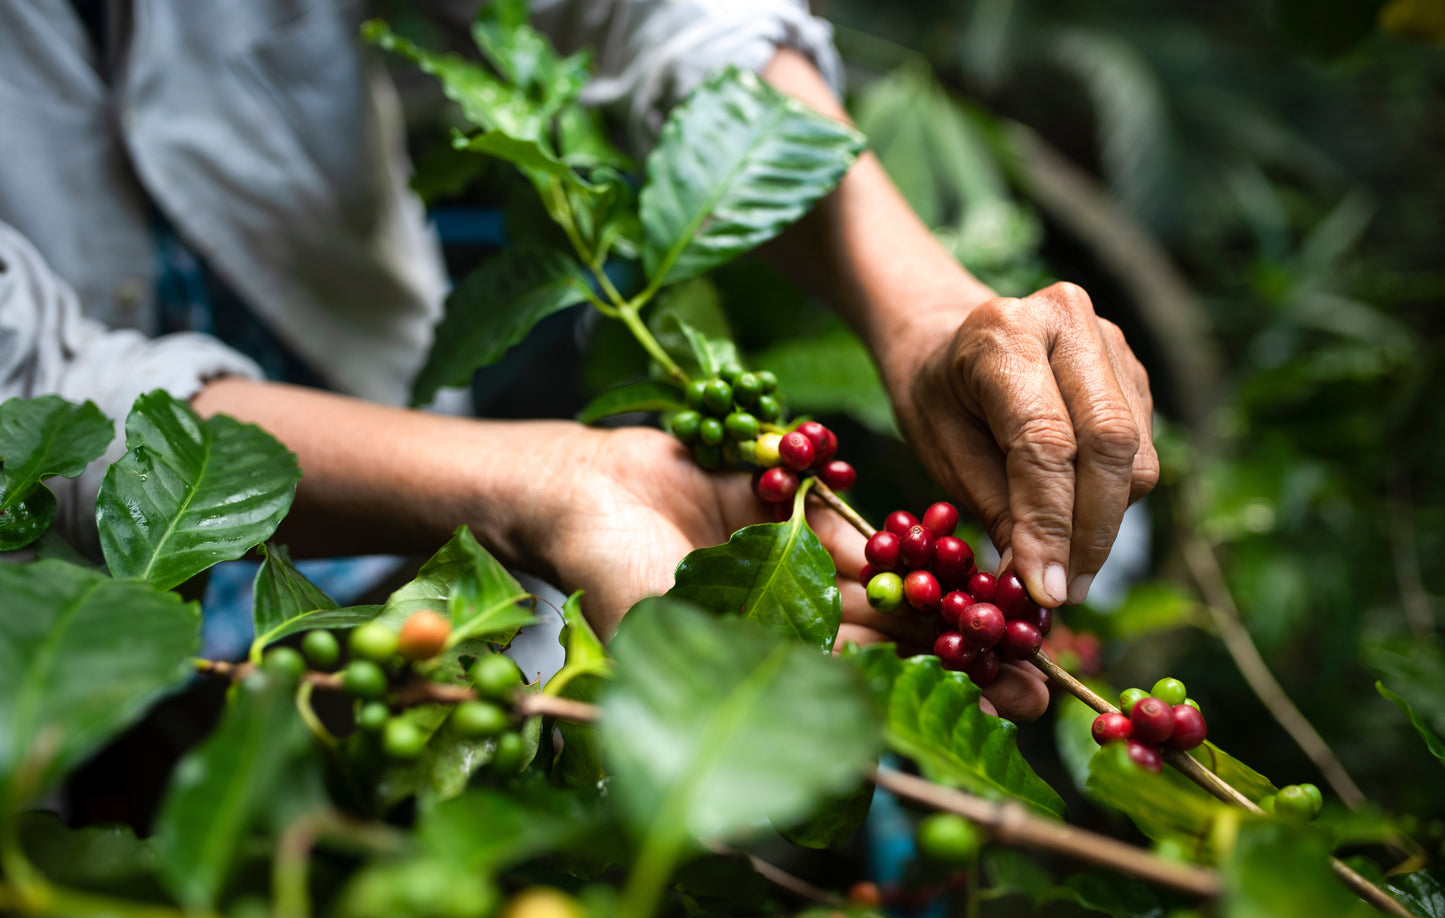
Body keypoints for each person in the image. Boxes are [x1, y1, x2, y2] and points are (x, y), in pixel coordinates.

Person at [0, 0, 1156, 721]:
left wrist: (923, 308)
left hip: (404, 551)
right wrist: (541, 481)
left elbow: (657, 10)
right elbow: (28, 394)